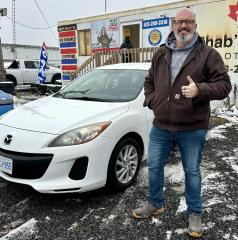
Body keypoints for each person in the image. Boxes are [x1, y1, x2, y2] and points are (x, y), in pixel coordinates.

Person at [132, 7, 231, 238]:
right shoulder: (161, 53)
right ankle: (156, 203)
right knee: (154, 167)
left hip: (192, 128)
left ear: (195, 26)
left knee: (192, 172)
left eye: (188, 22)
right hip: (161, 126)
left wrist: (200, 89)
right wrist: (152, 99)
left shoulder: (208, 54)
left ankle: (195, 212)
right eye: (179, 22)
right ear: (173, 25)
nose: (183, 26)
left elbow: (224, 85)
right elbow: (149, 81)